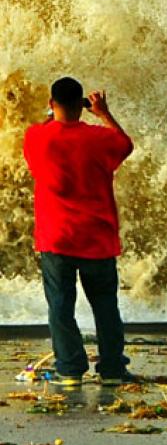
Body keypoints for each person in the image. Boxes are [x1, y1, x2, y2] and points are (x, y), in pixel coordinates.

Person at [23, 76, 134, 387]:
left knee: (60, 306)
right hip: (97, 238)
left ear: (51, 103)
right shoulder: (98, 138)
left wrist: (52, 115)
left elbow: (46, 126)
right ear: (81, 105)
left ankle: (70, 369)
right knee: (105, 307)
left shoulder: (36, 138)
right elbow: (125, 145)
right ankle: (112, 369)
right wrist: (103, 113)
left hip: (56, 238)